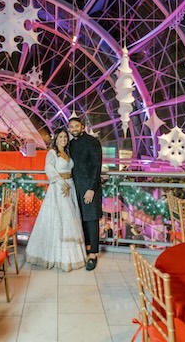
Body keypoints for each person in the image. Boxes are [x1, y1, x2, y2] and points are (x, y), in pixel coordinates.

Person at [25, 128, 86, 272]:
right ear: (56, 139)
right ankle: (58, 257)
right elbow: (49, 169)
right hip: (59, 189)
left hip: (70, 186)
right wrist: (61, 183)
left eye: (65, 137)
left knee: (71, 219)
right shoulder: (52, 153)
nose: (63, 139)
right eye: (61, 137)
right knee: (62, 220)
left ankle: (70, 256)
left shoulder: (68, 153)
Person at [68, 115, 103, 271]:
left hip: (90, 187)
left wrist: (91, 189)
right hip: (75, 187)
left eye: (77, 126)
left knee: (92, 219)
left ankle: (93, 254)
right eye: (72, 127)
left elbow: (97, 166)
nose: (74, 129)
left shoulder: (92, 142)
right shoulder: (70, 144)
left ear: (82, 126)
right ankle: (86, 249)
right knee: (81, 219)